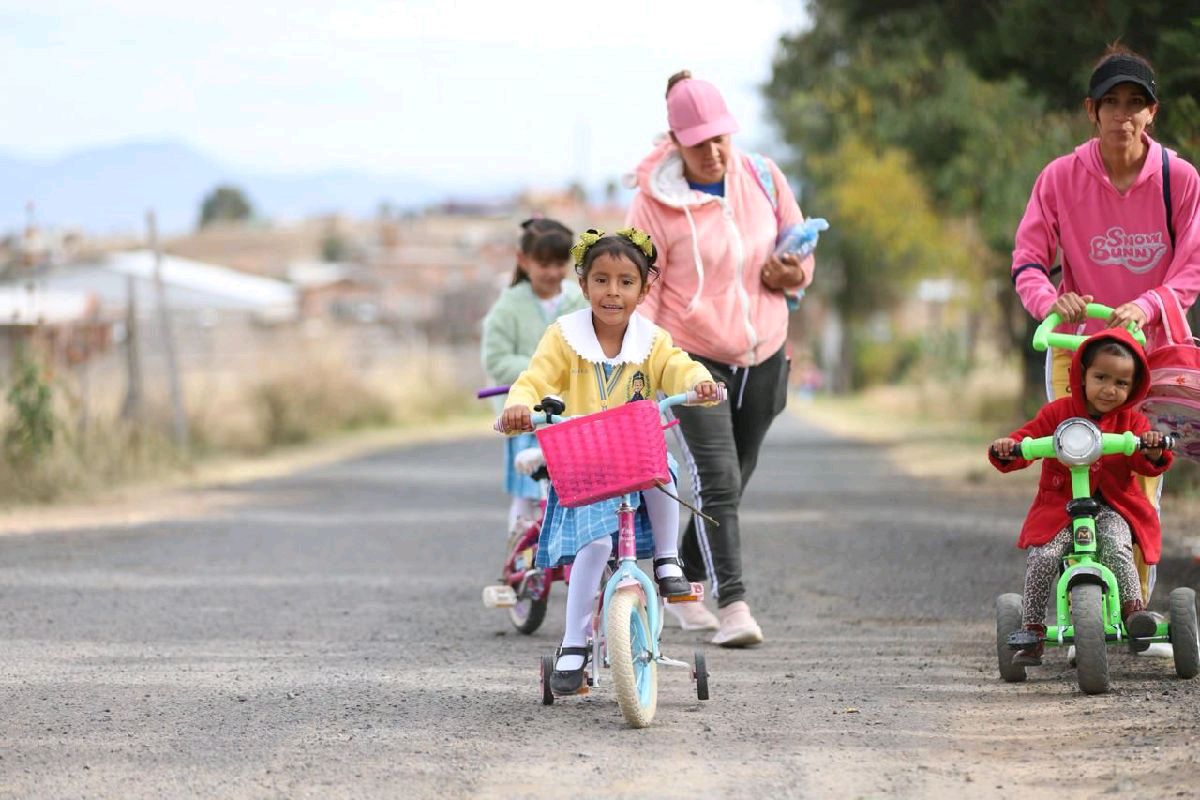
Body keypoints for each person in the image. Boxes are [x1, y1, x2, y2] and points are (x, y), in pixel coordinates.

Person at [625, 70, 816, 646]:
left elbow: (798, 245)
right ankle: (733, 606)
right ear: (675, 141)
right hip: (692, 353)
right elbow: (644, 287)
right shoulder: (653, 203)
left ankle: (676, 581)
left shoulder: (761, 175)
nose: (713, 152)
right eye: (699, 142)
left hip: (765, 349)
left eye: (721, 138)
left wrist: (793, 273)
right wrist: (645, 367)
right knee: (718, 475)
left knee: (738, 473)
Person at [1011, 44, 1200, 606]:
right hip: (1079, 349)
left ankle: (1136, 606)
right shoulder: (1060, 179)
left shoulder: (1180, 179)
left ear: (1152, 113)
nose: (1124, 115)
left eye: (1135, 103)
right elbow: (1027, 261)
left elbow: (1192, 263)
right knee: (1074, 469)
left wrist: (1149, 304)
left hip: (1150, 355)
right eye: (1111, 103)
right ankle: (1079, 600)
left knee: (1140, 477)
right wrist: (1052, 300)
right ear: (1091, 112)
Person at [498, 228, 721, 694]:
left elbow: (678, 366)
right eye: (601, 280)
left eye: (625, 282)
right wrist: (519, 406)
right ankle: (575, 642)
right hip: (584, 461)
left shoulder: (652, 341)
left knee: (664, 473)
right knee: (594, 547)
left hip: (636, 452)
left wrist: (699, 382)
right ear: (583, 285)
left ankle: (666, 560)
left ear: (644, 289)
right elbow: (534, 378)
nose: (612, 292)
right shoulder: (564, 337)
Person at [988, 329, 1172, 665]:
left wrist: (1152, 447)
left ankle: (1135, 612)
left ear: (1133, 388)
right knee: (1043, 556)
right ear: (1081, 374)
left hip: (1111, 507)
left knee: (1118, 545)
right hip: (1061, 509)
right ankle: (1032, 630)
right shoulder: (1057, 413)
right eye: (1101, 377)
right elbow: (1026, 441)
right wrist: (1009, 448)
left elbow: (1144, 459)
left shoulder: (1131, 420)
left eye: (1121, 383)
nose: (1110, 389)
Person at [482, 218, 588, 532]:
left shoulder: (579, 300)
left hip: (572, 412)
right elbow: (497, 361)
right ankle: (519, 555)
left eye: (560, 264)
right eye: (544, 264)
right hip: (526, 415)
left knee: (578, 489)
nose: (553, 272)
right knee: (528, 495)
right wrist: (547, 369)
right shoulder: (507, 308)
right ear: (523, 260)